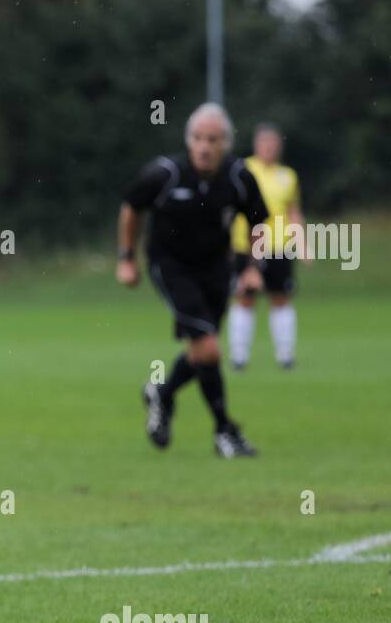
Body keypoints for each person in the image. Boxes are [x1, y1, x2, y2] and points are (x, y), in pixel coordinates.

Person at [117, 102, 267, 458]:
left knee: (202, 348)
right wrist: (126, 258)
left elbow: (259, 222)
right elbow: (130, 207)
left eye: (213, 139)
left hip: (215, 267)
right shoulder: (165, 174)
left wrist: (250, 267)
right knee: (209, 347)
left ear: (226, 143)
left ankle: (162, 394)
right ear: (189, 141)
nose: (204, 146)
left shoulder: (239, 177)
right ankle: (224, 432)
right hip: (169, 266)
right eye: (198, 138)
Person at [227, 123, 308, 370]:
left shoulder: (288, 176)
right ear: (256, 145)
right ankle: (239, 357)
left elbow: (294, 212)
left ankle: (285, 355)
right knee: (244, 297)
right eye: (265, 144)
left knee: (280, 297)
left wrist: (302, 243)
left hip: (278, 246)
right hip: (246, 245)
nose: (270, 148)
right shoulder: (243, 169)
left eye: (274, 144)